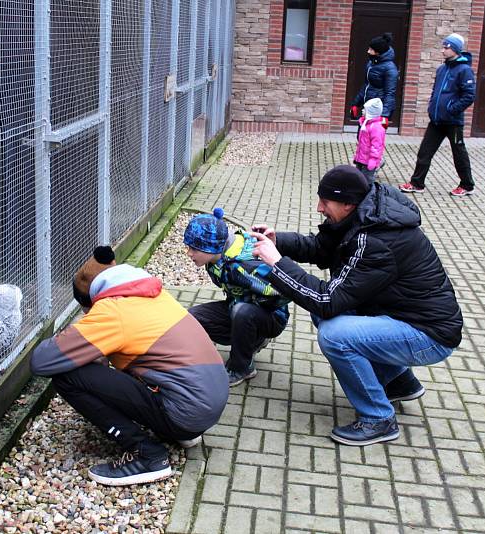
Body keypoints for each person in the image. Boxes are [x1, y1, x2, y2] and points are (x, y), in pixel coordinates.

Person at [249, 165, 463, 446]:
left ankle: (378, 419)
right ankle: (399, 382)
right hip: (401, 316)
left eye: (325, 202)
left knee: (335, 336)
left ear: (348, 204)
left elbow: (327, 301)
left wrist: (276, 263)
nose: (318, 208)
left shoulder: (376, 240)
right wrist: (281, 243)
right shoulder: (364, 215)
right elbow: (321, 248)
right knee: (325, 314)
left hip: (429, 335)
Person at [30, 246, 229, 485]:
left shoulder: (111, 311)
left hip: (186, 412)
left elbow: (41, 362)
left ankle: (147, 455)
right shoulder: (151, 293)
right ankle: (178, 433)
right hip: (209, 402)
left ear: (91, 299)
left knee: (68, 377)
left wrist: (80, 334)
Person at [184, 208, 290, 387]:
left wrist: (255, 304)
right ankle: (249, 341)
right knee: (192, 318)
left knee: (241, 311)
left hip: (272, 317)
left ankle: (241, 367)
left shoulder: (242, 266)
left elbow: (285, 291)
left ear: (211, 247)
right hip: (238, 306)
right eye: (188, 247)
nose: (189, 253)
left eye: (194, 249)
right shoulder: (216, 258)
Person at [399, 33, 476, 196]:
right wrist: (431, 107)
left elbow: (469, 96)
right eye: (443, 47)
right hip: (436, 121)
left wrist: (451, 109)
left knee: (459, 153)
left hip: (453, 122)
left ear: (455, 49)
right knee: (424, 152)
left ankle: (467, 185)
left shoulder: (465, 70)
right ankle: (417, 183)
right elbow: (436, 91)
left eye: (446, 47)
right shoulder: (442, 69)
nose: (443, 50)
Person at [349, 33, 399, 129]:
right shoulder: (371, 64)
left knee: (374, 138)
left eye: (371, 50)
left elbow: (390, 93)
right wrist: (356, 104)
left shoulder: (390, 69)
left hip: (377, 109)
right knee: (362, 136)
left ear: (378, 52)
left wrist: (385, 115)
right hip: (368, 107)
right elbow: (367, 85)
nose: (368, 51)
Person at [353, 98, 387, 185]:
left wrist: (373, 160)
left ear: (371, 112)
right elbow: (361, 144)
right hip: (361, 159)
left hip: (368, 161)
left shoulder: (376, 128)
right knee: (358, 179)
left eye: (365, 109)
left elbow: (377, 146)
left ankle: (369, 196)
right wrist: (357, 156)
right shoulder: (365, 124)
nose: (362, 110)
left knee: (367, 181)